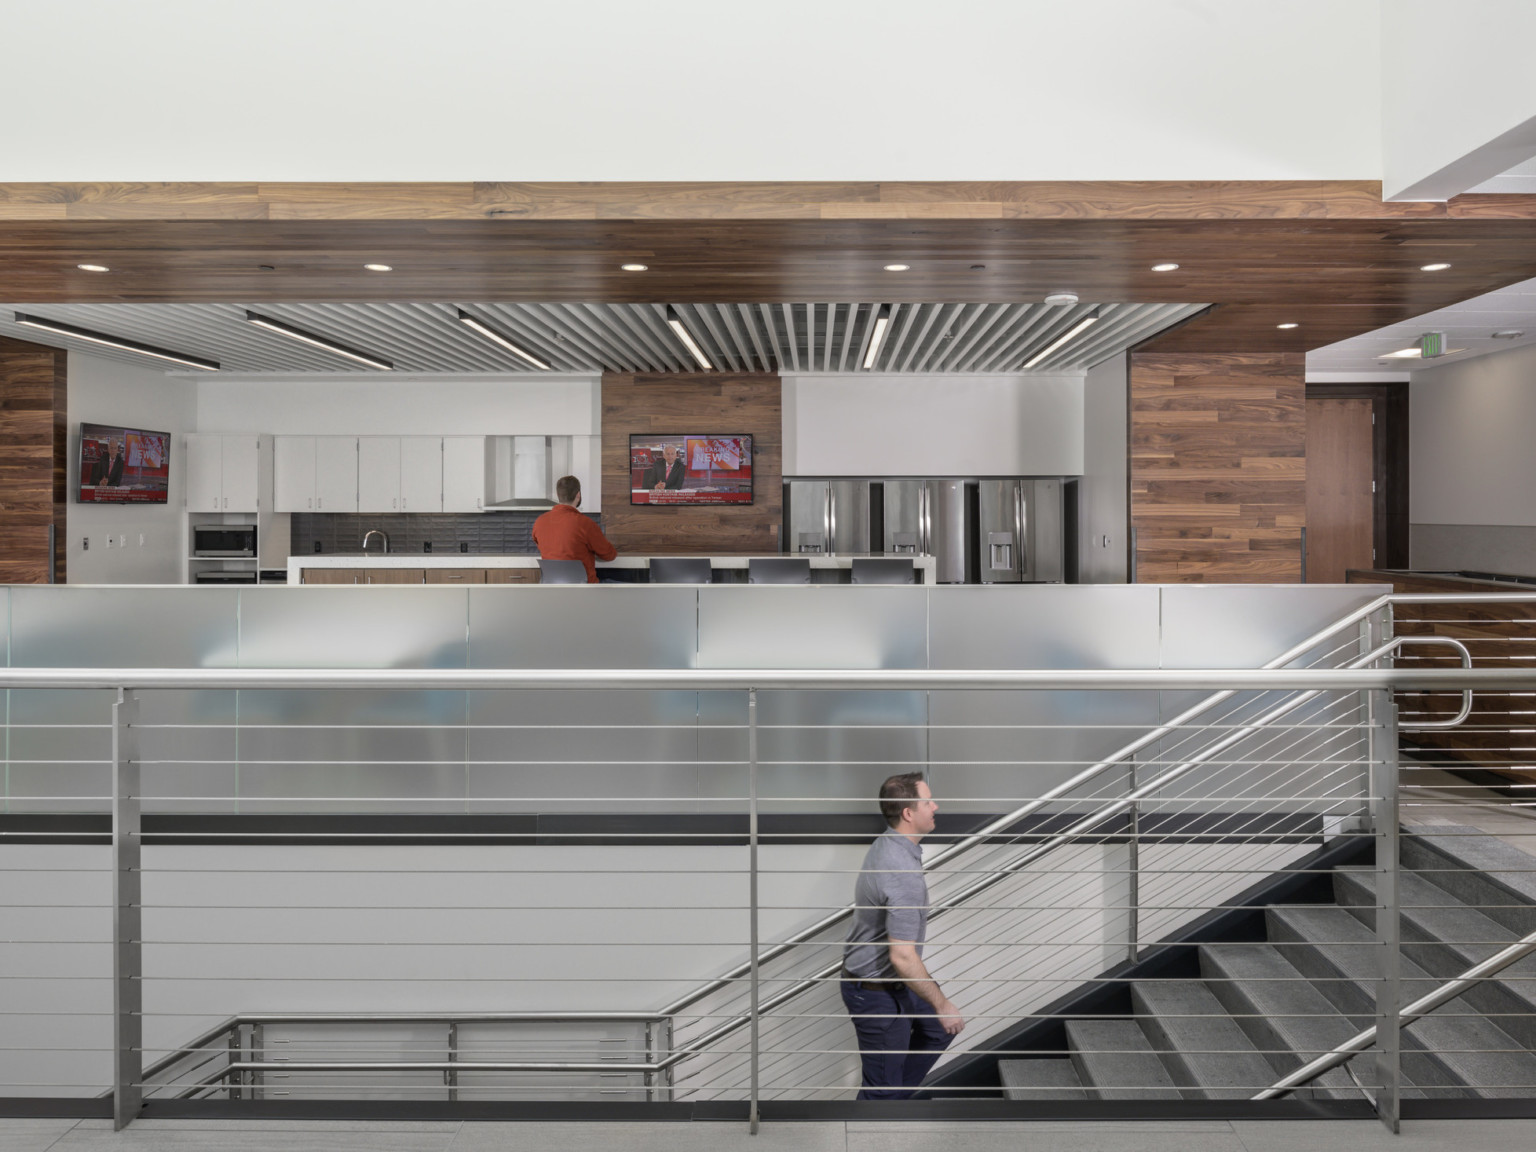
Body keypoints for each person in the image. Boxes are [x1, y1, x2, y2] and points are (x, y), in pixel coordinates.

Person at [841, 772, 964, 1100]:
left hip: (891, 981)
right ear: (909, 813)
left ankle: (894, 1101)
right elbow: (903, 956)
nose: (935, 806)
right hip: (877, 991)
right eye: (927, 801)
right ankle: (883, 1109)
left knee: (937, 1030)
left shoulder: (890, 844)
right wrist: (942, 1002)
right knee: (880, 1090)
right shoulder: (901, 871)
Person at [531, 475, 617, 584]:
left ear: (558, 495)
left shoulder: (539, 522)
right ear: (578, 495)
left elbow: (541, 544)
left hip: (553, 591)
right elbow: (609, 555)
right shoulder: (586, 524)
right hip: (585, 592)